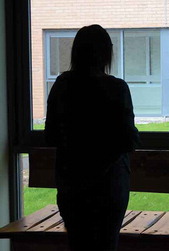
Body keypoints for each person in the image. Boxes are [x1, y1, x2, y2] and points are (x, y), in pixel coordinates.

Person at [45, 24, 140, 251]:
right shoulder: (117, 88)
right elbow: (129, 139)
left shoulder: (62, 86)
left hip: (72, 185)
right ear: (107, 53)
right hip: (110, 186)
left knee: (78, 244)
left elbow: (51, 136)